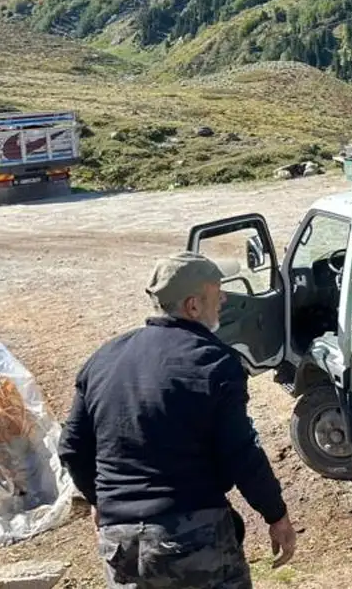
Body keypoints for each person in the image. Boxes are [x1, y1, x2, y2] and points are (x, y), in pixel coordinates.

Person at [58, 251, 297, 588]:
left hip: (120, 542)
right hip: (191, 535)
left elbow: (72, 447)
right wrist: (276, 514)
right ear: (193, 306)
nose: (224, 300)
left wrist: (102, 500)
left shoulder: (104, 358)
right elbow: (241, 453)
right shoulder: (213, 362)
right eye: (217, 292)